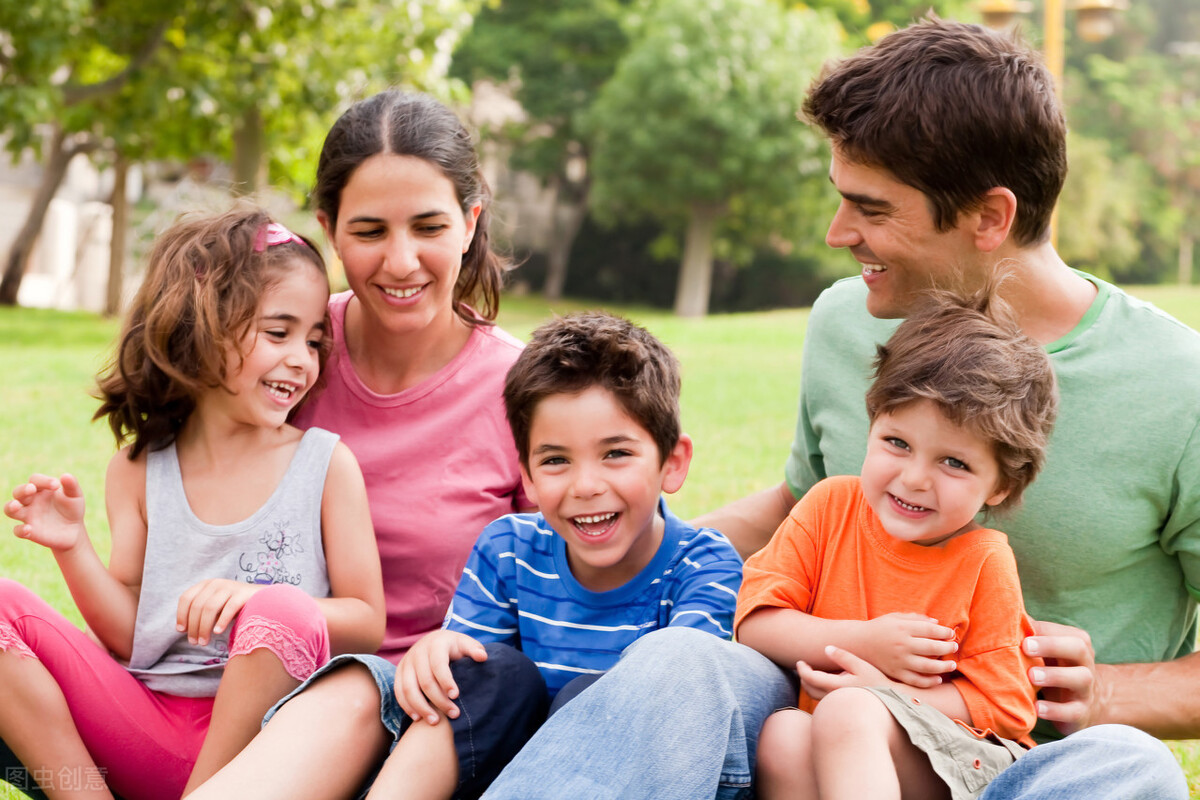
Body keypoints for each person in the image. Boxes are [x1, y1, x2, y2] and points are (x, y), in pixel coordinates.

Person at [480, 18, 1193, 800]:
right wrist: (612, 545)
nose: (836, 233)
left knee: (1134, 768)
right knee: (678, 663)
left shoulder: (1176, 386)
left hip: (1013, 761)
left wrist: (1110, 694)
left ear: (990, 216)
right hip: (816, 733)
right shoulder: (849, 320)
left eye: (872, 209)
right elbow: (804, 507)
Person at [187, 311, 744, 799]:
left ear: (673, 461)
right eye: (555, 461)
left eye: (616, 454)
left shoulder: (704, 567)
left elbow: (671, 701)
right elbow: (472, 695)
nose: (586, 485)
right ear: (524, 472)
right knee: (487, 668)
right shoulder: (509, 549)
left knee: (601, 692)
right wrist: (438, 654)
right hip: (491, 770)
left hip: (617, 777)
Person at [179, 90, 530, 797]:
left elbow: (571, 585)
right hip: (233, 682)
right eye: (369, 231)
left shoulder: (526, 391)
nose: (401, 262)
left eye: (428, 226)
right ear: (327, 229)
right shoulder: (284, 351)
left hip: (413, 704)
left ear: (470, 221)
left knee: (359, 689)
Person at [0, 206, 385, 800]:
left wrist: (258, 599)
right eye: (278, 333)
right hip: (143, 727)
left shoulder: (325, 465)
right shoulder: (137, 469)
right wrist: (73, 548)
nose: (303, 359)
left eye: (313, 340)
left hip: (264, 754)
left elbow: (367, 620)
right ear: (200, 328)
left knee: (281, 611)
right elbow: (133, 635)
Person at [743, 287, 1056, 799]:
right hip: (837, 745)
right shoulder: (830, 507)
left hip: (959, 763)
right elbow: (755, 624)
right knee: (784, 733)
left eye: (954, 462)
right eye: (898, 443)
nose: (913, 479)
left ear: (1000, 485)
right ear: (871, 425)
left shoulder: (983, 560)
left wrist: (886, 695)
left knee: (847, 711)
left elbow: (1006, 706)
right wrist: (862, 643)